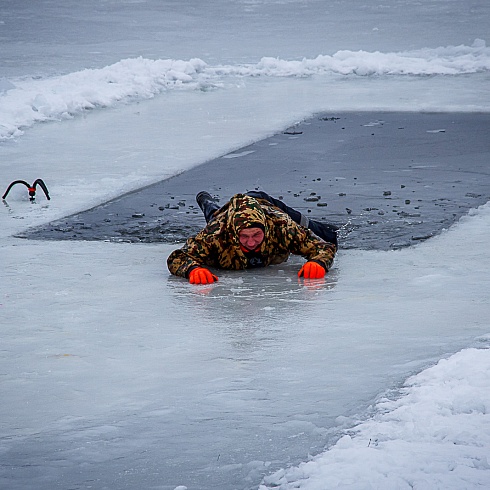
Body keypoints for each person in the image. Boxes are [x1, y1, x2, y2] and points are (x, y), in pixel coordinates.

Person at [167, 191, 338, 284]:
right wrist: (192, 270)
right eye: (244, 236)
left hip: (264, 204)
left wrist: (318, 262)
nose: (251, 242)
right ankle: (206, 201)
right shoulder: (216, 234)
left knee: (321, 231)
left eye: (257, 235)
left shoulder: (281, 227)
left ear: (265, 229)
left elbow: (323, 247)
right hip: (224, 218)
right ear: (234, 234)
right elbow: (179, 257)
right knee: (214, 216)